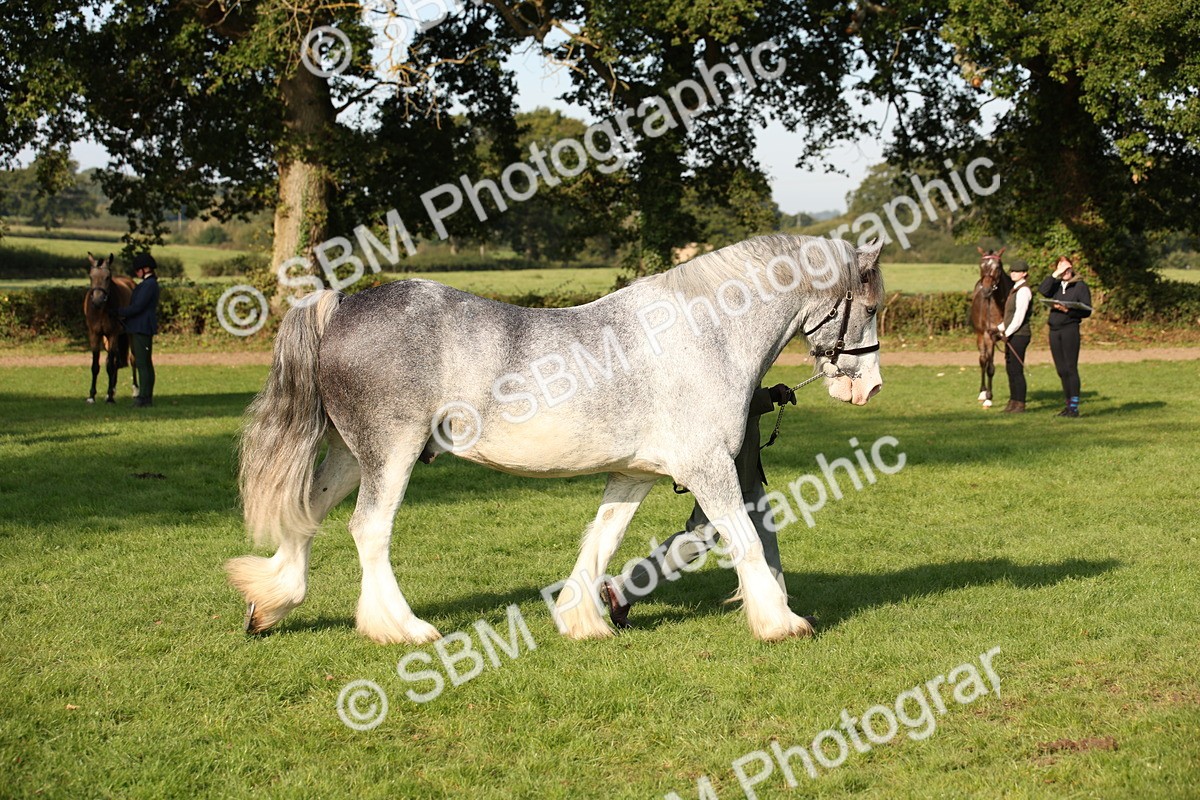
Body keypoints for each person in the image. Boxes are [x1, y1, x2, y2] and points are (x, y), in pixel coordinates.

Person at [600, 383, 798, 628]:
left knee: (760, 533)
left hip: (744, 467)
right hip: (725, 470)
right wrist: (768, 396)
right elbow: (729, 400)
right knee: (702, 536)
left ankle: (780, 612)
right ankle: (621, 589)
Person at [1038, 255, 1092, 417]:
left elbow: (1087, 310)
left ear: (1073, 268)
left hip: (1070, 329)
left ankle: (1074, 407)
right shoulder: (1055, 285)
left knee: (1070, 368)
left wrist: (1068, 310)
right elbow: (1043, 290)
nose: (1065, 271)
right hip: (1054, 330)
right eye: (1061, 268)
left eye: (1067, 268)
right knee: (1061, 370)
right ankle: (1067, 405)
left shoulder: (1080, 286)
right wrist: (1055, 274)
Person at [119, 253, 161, 408]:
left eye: (138, 270)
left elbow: (138, 307)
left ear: (144, 269)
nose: (136, 273)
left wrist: (118, 312)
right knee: (145, 363)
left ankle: (144, 397)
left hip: (141, 327)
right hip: (139, 325)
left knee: (143, 364)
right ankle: (145, 396)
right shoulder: (148, 284)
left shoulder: (148, 285)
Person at [995, 259, 1032, 413]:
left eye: (1017, 271)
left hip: (1020, 334)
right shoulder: (1015, 289)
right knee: (1010, 369)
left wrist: (1007, 333)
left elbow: (1019, 317)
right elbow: (1009, 317)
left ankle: (1020, 403)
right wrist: (998, 329)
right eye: (1012, 271)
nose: (1013, 273)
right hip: (1012, 334)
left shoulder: (1024, 291)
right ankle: (1013, 401)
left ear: (1024, 274)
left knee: (1016, 370)